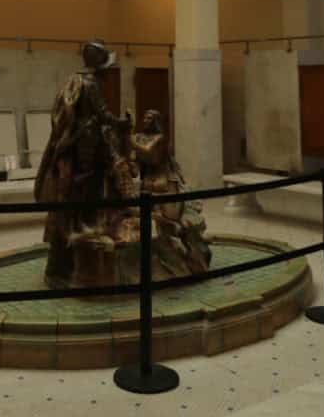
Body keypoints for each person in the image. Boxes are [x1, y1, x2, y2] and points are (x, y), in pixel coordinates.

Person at [35, 40, 133, 285]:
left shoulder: (74, 80)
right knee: (79, 210)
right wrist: (124, 123)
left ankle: (64, 267)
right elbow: (103, 116)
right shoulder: (91, 84)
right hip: (86, 159)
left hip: (76, 156)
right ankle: (70, 268)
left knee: (71, 211)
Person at [132, 109, 211, 274]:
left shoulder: (159, 139)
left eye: (150, 118)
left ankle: (184, 251)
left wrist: (128, 139)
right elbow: (136, 163)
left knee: (165, 218)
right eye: (145, 117)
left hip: (164, 183)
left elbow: (148, 153)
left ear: (156, 121)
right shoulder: (138, 137)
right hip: (147, 183)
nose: (146, 120)